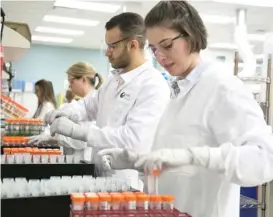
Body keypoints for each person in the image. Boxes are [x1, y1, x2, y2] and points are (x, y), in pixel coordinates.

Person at [96, 1, 273, 217]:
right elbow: (178, 159)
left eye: (167, 45)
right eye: (154, 49)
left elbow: (264, 159)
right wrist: (138, 160)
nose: (160, 57)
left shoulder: (222, 87)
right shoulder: (180, 89)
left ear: (190, 35)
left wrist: (192, 157)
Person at [44, 12, 170, 189]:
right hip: (100, 177)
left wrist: (79, 132)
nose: (106, 52)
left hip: (127, 185)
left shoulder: (152, 84)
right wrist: (67, 111)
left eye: (112, 46)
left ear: (132, 45)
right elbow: (89, 106)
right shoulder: (114, 80)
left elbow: (133, 140)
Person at [29, 62, 103, 161]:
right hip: (72, 159)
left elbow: (84, 140)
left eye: (71, 81)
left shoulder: (96, 104)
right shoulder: (80, 104)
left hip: (85, 159)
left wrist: (55, 138)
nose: (69, 86)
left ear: (83, 79)